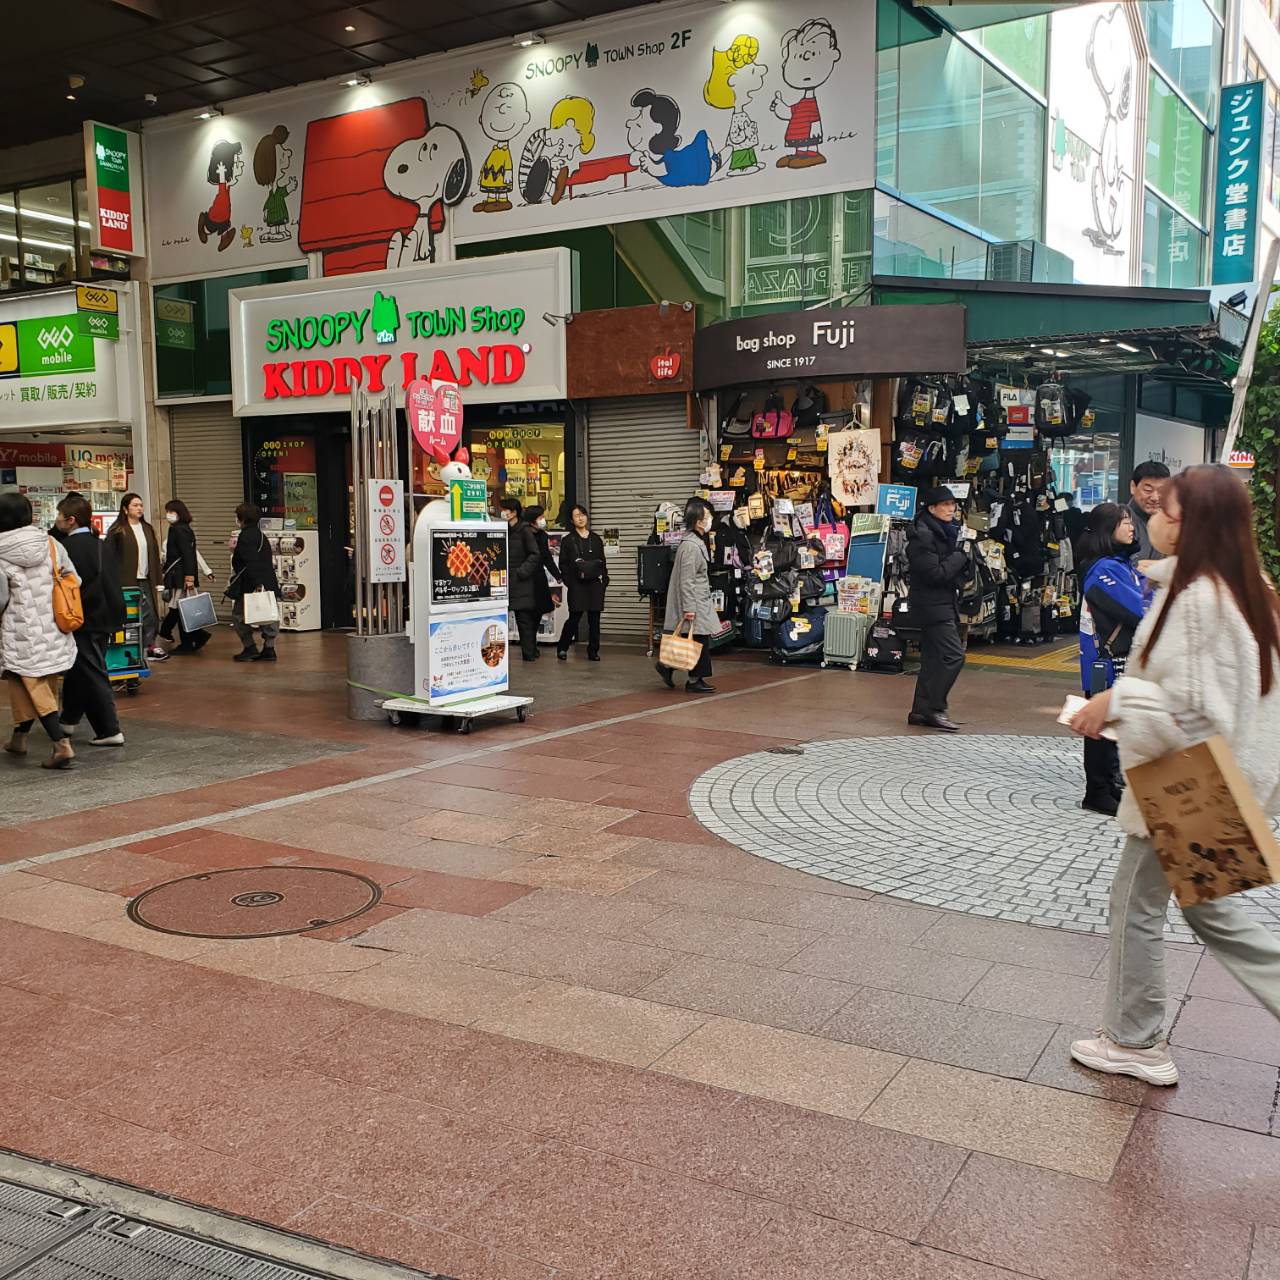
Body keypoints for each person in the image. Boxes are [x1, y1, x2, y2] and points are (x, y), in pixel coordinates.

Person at [1070, 465, 1280, 1086]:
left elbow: (1193, 711)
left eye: (1165, 509)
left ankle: (1134, 1040)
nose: (1152, 518)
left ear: (1190, 524)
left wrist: (1118, 701)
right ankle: (1133, 1036)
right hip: (1216, 778)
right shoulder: (1241, 588)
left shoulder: (1197, 601)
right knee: (1212, 915)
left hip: (1188, 783)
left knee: (1138, 904)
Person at [1075, 503, 1146, 816]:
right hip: (1105, 661)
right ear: (1106, 529)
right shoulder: (1104, 569)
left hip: (1113, 658)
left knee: (1114, 721)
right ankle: (1097, 791)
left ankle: (1110, 785)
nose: (1131, 527)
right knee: (1100, 726)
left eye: (1130, 521)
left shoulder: (1121, 564)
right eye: (1123, 522)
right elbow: (1139, 610)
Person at [0, 493, 78, 769]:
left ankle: (61, 744)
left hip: (19, 629)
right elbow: (74, 579)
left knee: (33, 683)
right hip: (54, 625)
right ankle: (19, 738)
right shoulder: (52, 544)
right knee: (27, 678)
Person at [55, 494, 126, 748]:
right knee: (81, 667)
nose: (57, 520)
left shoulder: (65, 548)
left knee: (92, 670)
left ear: (71, 520)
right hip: (108, 614)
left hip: (84, 617)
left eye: (60, 516)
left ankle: (109, 729)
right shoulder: (100, 544)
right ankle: (69, 719)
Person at [906, 486, 969, 732]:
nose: (951, 509)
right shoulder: (922, 536)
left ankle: (920, 710)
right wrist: (960, 556)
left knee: (933, 659)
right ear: (932, 508)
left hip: (942, 603)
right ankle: (935, 708)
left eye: (953, 504)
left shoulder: (947, 531)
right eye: (945, 505)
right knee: (953, 656)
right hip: (931, 606)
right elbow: (935, 573)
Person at [656, 497, 718, 694]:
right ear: (698, 522)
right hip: (695, 601)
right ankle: (694, 680)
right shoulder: (691, 546)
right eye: (707, 516)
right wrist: (690, 608)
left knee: (692, 638)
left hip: (698, 599)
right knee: (698, 640)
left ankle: (667, 666)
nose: (710, 519)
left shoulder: (694, 542)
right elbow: (687, 580)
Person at [106, 492, 166, 662]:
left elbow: (154, 555)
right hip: (125, 581)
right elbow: (109, 556)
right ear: (125, 509)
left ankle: (148, 647)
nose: (139, 508)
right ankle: (131, 650)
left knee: (151, 615)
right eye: (135, 505)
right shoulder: (117, 530)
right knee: (130, 616)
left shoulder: (147, 528)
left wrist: (158, 580)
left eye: (141, 505)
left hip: (146, 579)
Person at [225, 503, 280, 663]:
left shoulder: (245, 536)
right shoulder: (261, 535)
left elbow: (250, 562)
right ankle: (269, 648)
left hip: (250, 584)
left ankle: (250, 648)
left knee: (239, 617)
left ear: (242, 518)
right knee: (268, 615)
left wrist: (257, 584)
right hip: (267, 581)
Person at [158, 499, 210, 655]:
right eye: (167, 512)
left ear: (179, 513)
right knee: (181, 609)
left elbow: (188, 554)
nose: (168, 515)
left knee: (181, 610)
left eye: (171, 512)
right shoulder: (184, 528)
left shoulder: (178, 530)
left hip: (180, 576)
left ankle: (189, 642)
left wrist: (189, 577)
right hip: (181, 575)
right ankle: (196, 637)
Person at [557, 504, 608, 662]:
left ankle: (593, 651)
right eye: (577, 515)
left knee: (594, 620)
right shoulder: (567, 540)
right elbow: (563, 564)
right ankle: (562, 647)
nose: (581, 518)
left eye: (583, 514)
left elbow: (603, 562)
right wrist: (569, 582)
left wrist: (604, 581)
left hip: (595, 584)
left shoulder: (596, 539)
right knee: (574, 617)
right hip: (577, 584)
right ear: (572, 520)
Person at [501, 498, 545, 662]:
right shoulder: (502, 530)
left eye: (505, 510)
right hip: (503, 580)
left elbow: (535, 554)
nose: (503, 513)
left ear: (514, 512)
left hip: (521, 582)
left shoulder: (524, 530)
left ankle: (529, 653)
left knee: (524, 620)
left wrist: (522, 572)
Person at [1126, 460, 1171, 562]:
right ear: (1133, 487)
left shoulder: (1170, 521)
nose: (1155, 497)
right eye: (1148, 490)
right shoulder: (1118, 522)